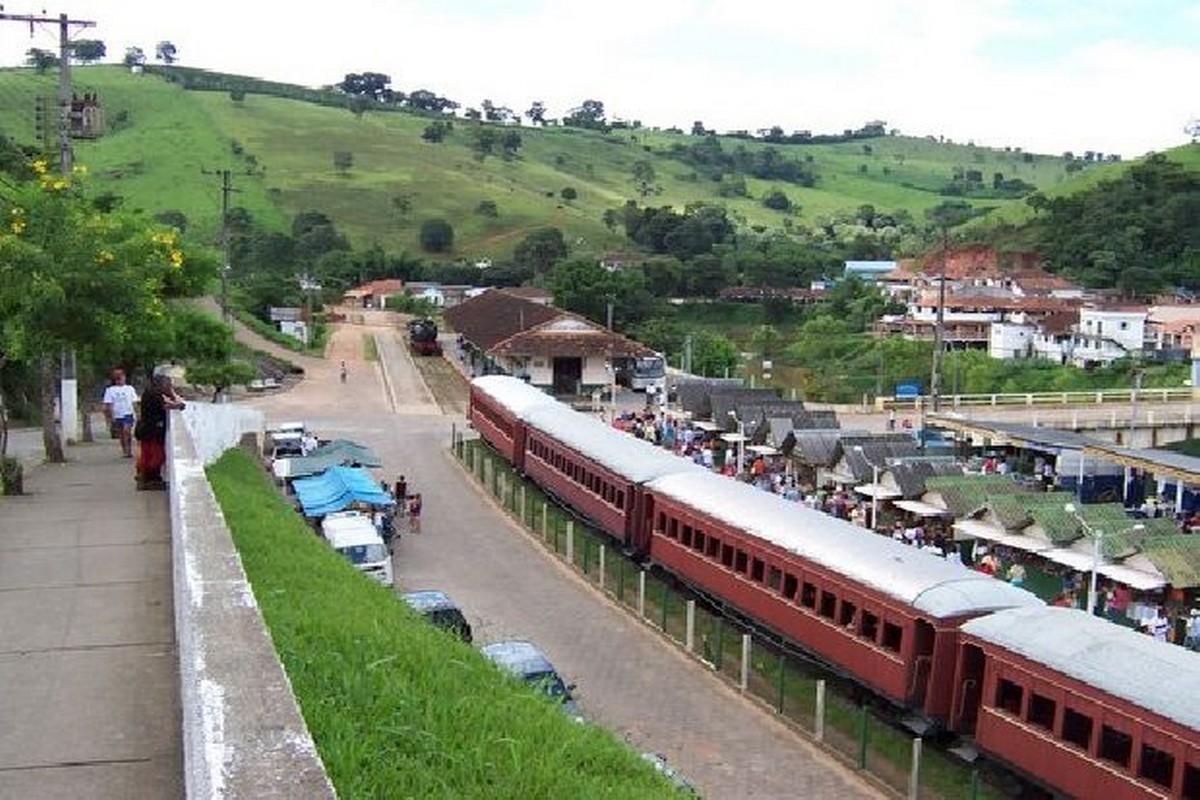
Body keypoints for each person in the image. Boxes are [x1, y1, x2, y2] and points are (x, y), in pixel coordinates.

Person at [134, 373, 186, 490]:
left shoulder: (153, 393)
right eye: (168, 385)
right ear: (160, 385)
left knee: (149, 455)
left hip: (149, 430)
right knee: (156, 456)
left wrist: (171, 394)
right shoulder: (153, 394)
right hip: (150, 431)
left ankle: (150, 478)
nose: (169, 387)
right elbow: (169, 405)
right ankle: (147, 478)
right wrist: (179, 404)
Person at [102, 368, 139, 458]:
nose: (120, 379)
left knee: (127, 431)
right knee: (121, 434)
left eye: (121, 377)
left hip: (128, 413)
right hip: (117, 414)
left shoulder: (130, 388)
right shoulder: (110, 390)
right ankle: (125, 450)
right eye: (117, 377)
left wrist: (137, 413)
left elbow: (134, 401)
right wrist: (110, 417)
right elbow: (108, 404)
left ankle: (129, 449)